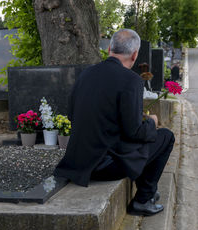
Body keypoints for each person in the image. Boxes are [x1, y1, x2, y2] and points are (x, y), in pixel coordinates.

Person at [54, 29, 175, 216]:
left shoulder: (86, 74)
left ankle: (149, 191)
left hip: (78, 163)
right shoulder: (132, 80)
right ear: (135, 55)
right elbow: (133, 132)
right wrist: (151, 122)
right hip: (104, 166)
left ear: (110, 48)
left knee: (144, 139)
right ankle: (143, 199)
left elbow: (71, 115)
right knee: (166, 137)